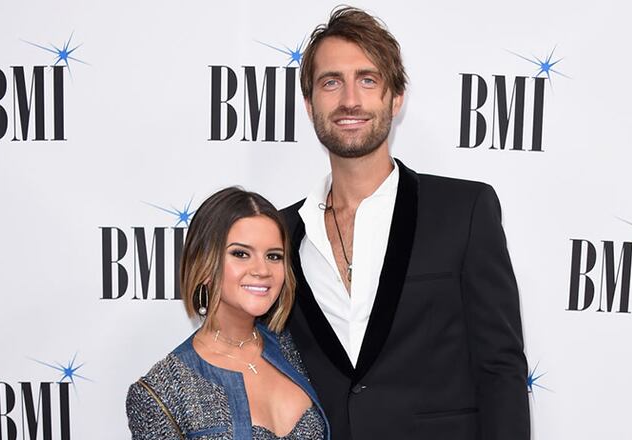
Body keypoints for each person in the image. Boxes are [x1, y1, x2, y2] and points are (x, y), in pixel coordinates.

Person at [281, 6, 530, 439]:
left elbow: (500, 369)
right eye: (331, 82)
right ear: (309, 103)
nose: (350, 100)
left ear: (396, 99)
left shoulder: (464, 210)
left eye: (368, 79)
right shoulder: (281, 234)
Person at [127, 187, 330, 439]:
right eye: (241, 254)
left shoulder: (297, 349)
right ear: (203, 265)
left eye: (274, 256)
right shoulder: (163, 391)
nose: (262, 270)